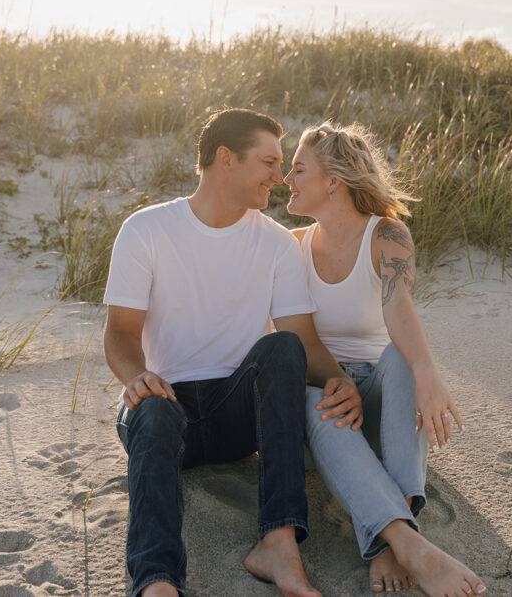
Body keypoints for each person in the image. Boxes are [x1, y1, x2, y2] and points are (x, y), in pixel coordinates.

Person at [103, 109, 364, 597]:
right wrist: (136, 377)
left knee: (281, 345)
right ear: (225, 158)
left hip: (236, 417)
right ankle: (157, 582)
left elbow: (302, 342)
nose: (279, 176)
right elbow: (119, 331)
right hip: (164, 415)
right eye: (268, 162)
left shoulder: (276, 244)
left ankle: (279, 543)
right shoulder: (147, 230)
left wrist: (340, 378)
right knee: (154, 409)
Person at [285, 123, 488, 596]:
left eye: (298, 169)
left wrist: (428, 373)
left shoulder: (387, 236)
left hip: (380, 403)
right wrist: (338, 383)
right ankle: (400, 546)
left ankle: (393, 536)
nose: (286, 179)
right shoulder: (290, 245)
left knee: (400, 356)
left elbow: (400, 309)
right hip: (327, 411)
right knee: (315, 395)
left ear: (333, 180)